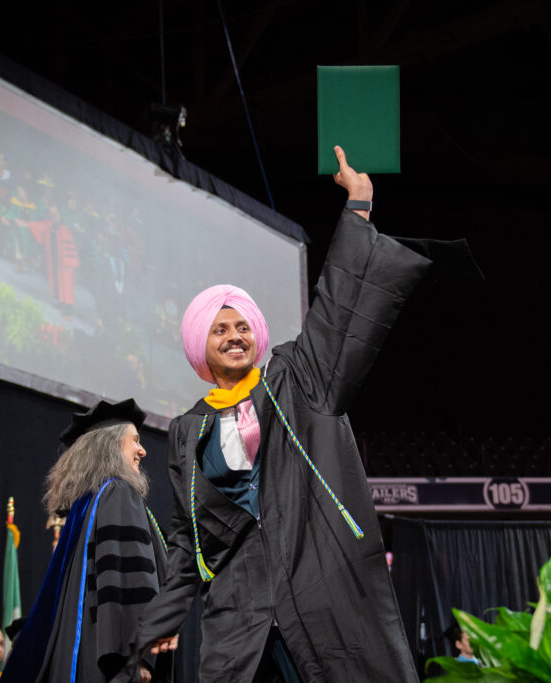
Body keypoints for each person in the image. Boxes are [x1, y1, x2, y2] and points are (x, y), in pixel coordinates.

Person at [121, 146, 481, 682]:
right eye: (220, 329)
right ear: (201, 345)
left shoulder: (293, 380)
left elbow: (336, 312)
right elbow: (188, 537)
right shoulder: (185, 431)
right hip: (240, 615)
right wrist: (153, 625)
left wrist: (358, 206)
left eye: (242, 325)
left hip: (317, 591)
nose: (235, 335)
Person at [1, 399, 171, 683]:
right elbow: (126, 585)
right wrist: (137, 657)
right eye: (135, 441)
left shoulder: (87, 505)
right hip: (116, 666)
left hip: (87, 653)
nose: (142, 450)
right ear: (111, 446)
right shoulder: (118, 493)